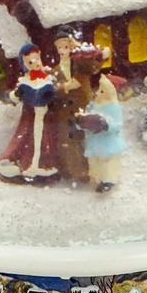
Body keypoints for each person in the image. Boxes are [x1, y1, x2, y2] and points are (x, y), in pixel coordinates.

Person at [0, 44, 58, 182]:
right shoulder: (25, 80)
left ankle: (42, 166)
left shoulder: (47, 77)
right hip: (29, 117)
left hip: (44, 118)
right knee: (26, 138)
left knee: (44, 140)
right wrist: (17, 94)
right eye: (30, 62)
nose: (35, 63)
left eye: (37, 59)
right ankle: (26, 164)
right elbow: (14, 97)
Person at [51, 26, 90, 182]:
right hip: (65, 112)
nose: (62, 51)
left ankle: (86, 169)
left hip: (81, 107)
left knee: (84, 139)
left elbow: (92, 65)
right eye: (59, 47)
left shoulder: (80, 65)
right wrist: (65, 87)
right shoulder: (54, 70)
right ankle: (72, 170)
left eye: (66, 47)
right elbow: (53, 89)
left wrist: (78, 47)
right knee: (67, 141)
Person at [77, 74, 127, 193]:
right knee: (95, 161)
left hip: (107, 142)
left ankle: (108, 181)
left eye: (102, 91)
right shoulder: (95, 104)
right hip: (95, 140)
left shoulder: (114, 107)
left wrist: (106, 125)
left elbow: (117, 124)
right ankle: (98, 178)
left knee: (107, 162)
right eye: (99, 90)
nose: (98, 93)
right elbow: (88, 114)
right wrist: (83, 119)